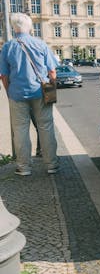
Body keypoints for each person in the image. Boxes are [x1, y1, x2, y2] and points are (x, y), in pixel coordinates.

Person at [0, 13, 59, 176]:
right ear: (30, 27)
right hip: (40, 92)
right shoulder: (40, 44)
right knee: (46, 127)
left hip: (17, 94)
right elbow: (52, 72)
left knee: (20, 130)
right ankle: (51, 165)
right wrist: (51, 89)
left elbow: (3, 76)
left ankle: (24, 167)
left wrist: (9, 92)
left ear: (13, 28)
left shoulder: (7, 47)